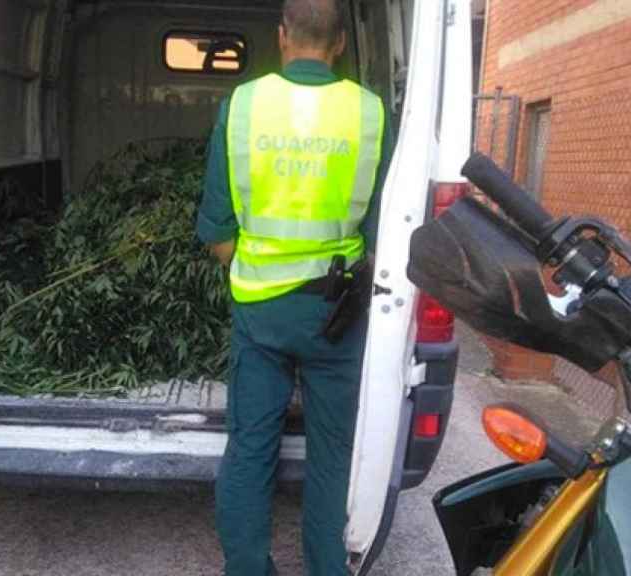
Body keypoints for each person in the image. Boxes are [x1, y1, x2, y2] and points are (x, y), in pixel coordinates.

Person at [196, 0, 392, 573]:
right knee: (335, 455)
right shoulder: (372, 113)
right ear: (340, 46)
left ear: (281, 36)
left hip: (261, 312)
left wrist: (259, 261)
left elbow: (216, 234)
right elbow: (388, 230)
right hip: (340, 312)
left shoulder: (243, 105)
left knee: (250, 449)